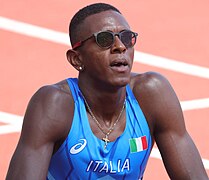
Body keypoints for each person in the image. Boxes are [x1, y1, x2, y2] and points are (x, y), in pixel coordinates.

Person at [6, 3, 208, 180]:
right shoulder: (55, 105)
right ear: (76, 59)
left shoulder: (152, 94)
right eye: (105, 39)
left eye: (127, 38)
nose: (120, 47)